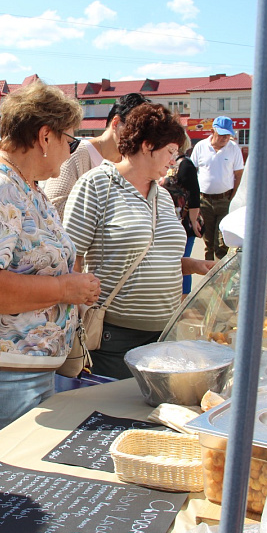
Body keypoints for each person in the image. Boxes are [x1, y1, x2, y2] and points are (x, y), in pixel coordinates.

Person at [0, 81, 101, 447]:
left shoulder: (24, 184)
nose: (69, 151)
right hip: (0, 372)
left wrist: (69, 284)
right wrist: (64, 289)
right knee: (6, 483)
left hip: (19, 370)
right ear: (45, 136)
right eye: (69, 140)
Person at [64, 104, 214, 380]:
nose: (173, 161)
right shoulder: (97, 184)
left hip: (165, 333)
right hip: (114, 338)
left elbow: (156, 257)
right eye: (170, 151)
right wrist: (77, 316)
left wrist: (194, 265)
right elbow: (69, 258)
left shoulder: (163, 196)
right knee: (116, 417)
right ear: (147, 145)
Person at [44, 92, 150, 215]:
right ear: (116, 123)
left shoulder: (129, 163)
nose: (139, 139)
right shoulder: (76, 153)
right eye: (136, 130)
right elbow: (54, 206)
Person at [190, 116, 245, 261]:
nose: (225, 138)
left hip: (225, 199)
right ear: (212, 131)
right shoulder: (201, 147)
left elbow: (239, 175)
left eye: (228, 134)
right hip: (205, 200)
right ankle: (208, 272)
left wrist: (232, 197)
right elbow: (192, 172)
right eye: (222, 134)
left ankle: (220, 273)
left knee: (222, 241)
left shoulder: (234, 149)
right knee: (208, 240)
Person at [159, 134, 203, 296]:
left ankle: (184, 299)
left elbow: (194, 193)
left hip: (184, 222)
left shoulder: (186, 165)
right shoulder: (171, 165)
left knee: (183, 262)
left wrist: (193, 219)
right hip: (171, 220)